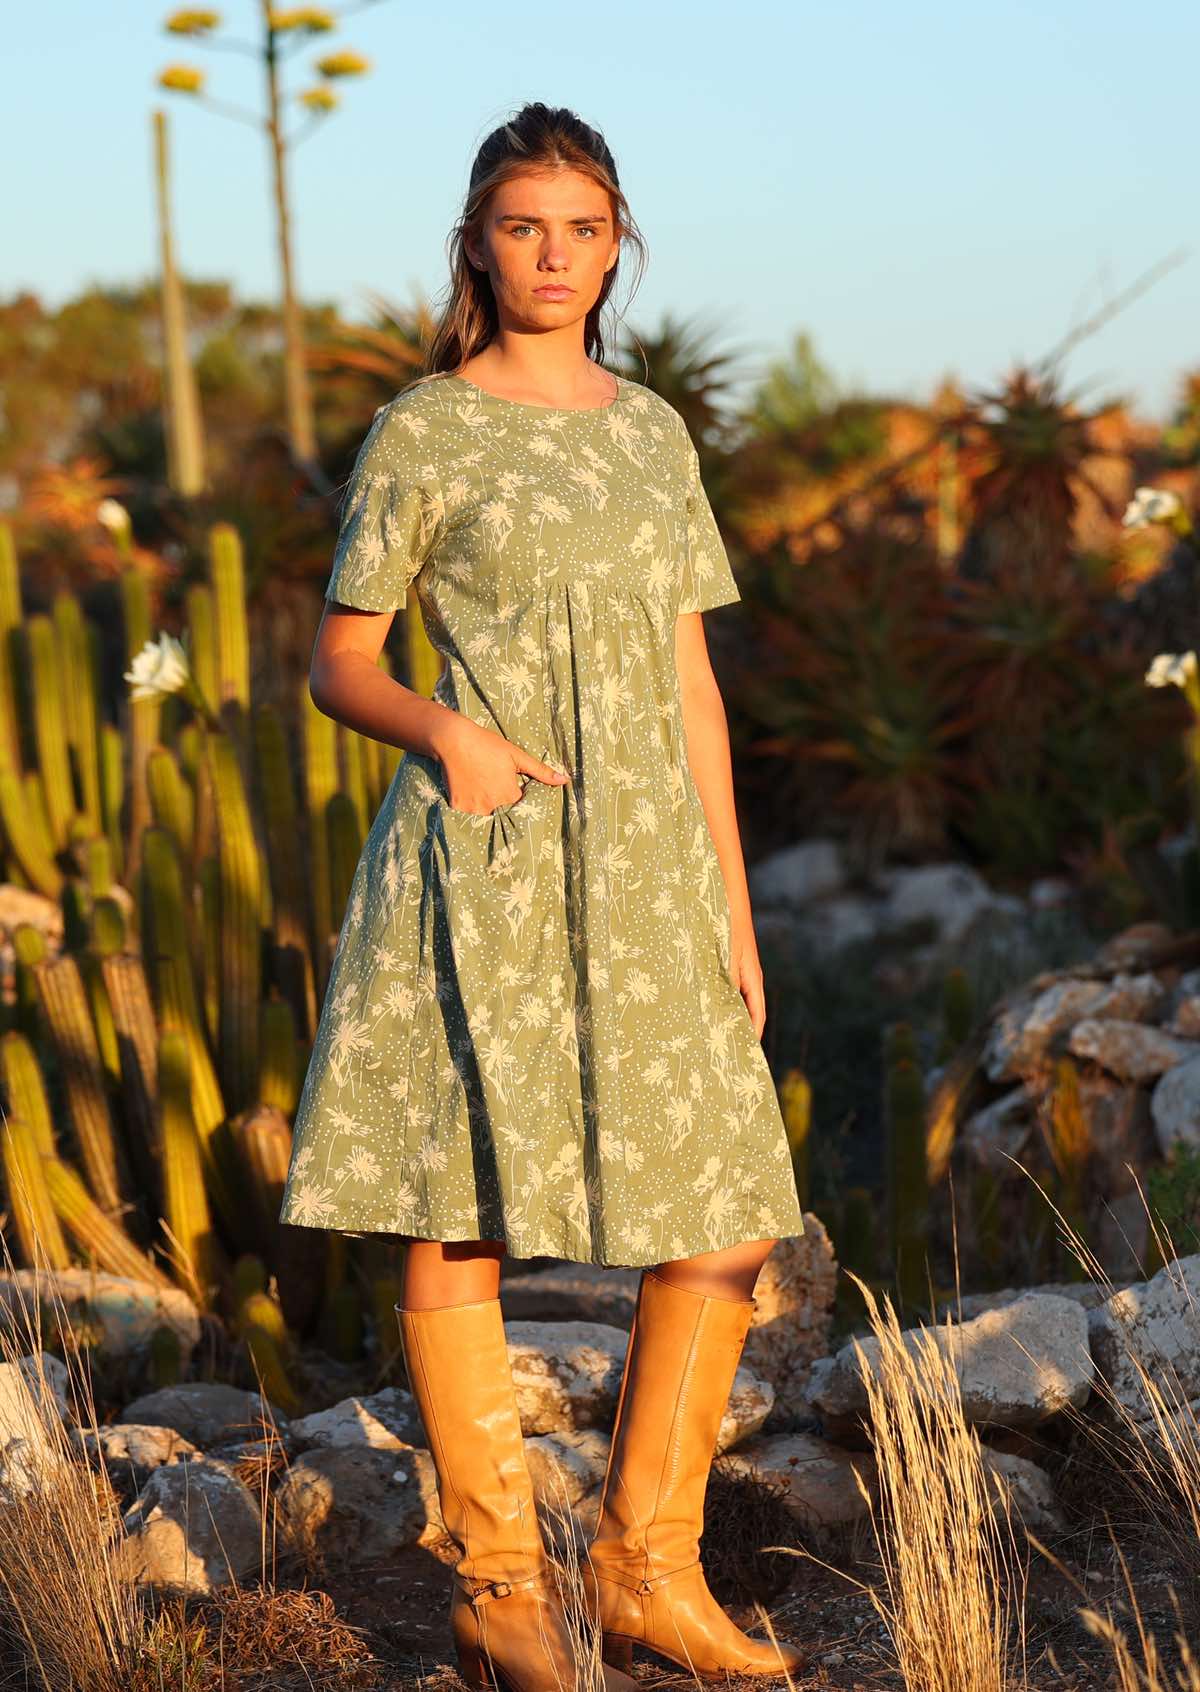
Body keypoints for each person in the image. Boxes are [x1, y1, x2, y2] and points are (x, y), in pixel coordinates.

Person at [279, 101, 807, 1689]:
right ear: (479, 243)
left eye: (583, 229)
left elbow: (690, 682)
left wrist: (733, 894)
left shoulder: (653, 431)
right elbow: (340, 664)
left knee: (721, 1215)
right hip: (483, 860)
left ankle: (648, 1567)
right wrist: (450, 733)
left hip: (653, 867)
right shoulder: (426, 428)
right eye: (524, 227)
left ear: (616, 241)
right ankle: (500, 1582)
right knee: (460, 1206)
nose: (554, 257)